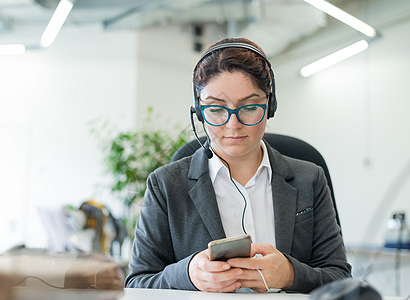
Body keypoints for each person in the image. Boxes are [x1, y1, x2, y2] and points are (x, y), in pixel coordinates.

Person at [125, 37, 351, 293]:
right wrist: (188, 275)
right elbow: (137, 284)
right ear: (198, 111)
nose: (233, 124)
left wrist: (289, 274)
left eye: (250, 107)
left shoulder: (309, 178)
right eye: (216, 109)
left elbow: (340, 278)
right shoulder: (165, 185)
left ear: (270, 106)